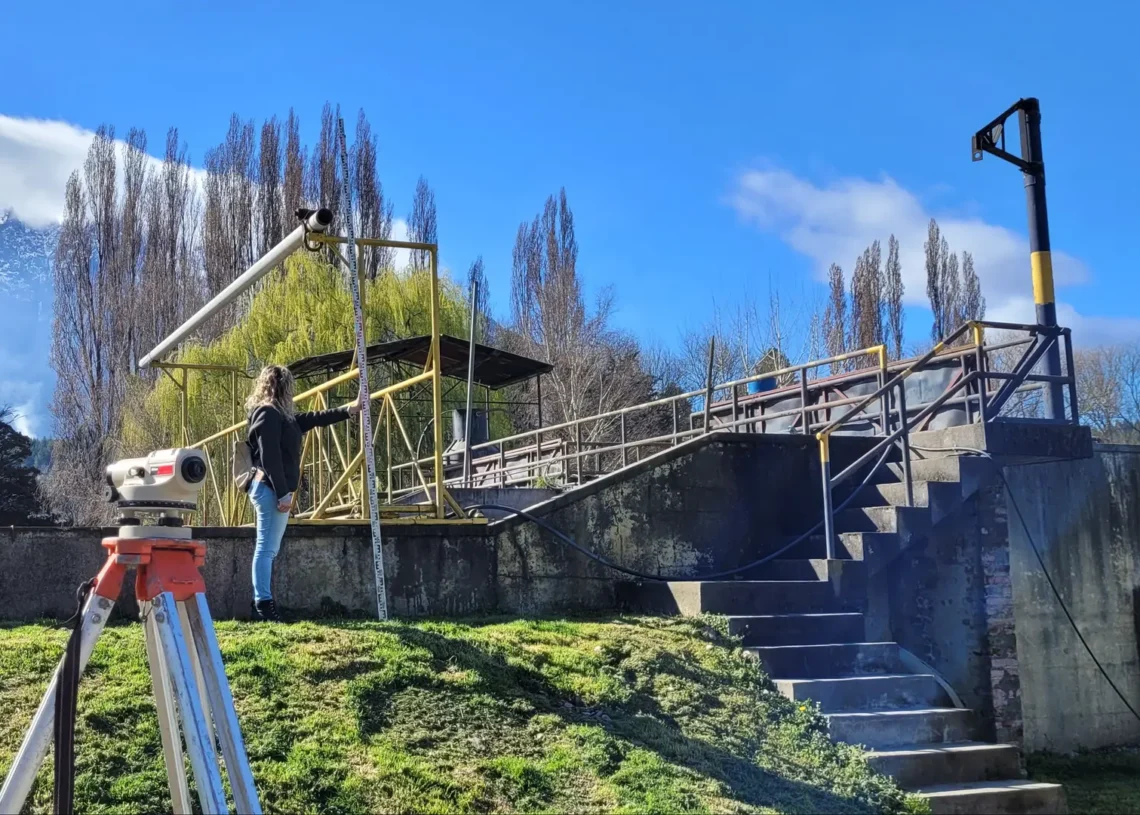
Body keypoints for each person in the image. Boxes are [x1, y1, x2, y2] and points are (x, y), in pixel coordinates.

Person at [243, 364, 362, 622]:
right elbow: (270, 456)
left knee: (268, 549)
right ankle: (263, 604)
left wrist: (347, 411)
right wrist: (283, 493)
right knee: (265, 548)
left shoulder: (282, 417)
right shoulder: (269, 415)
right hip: (269, 489)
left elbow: (314, 418)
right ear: (284, 388)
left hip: (271, 489)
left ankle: (263, 602)